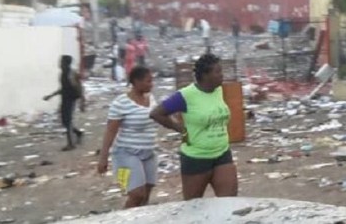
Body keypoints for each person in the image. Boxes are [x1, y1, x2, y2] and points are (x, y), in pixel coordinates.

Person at [150, 54, 237, 200]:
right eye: (218, 72)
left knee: (229, 202)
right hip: (196, 158)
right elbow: (156, 113)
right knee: (193, 206)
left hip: (222, 153)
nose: (222, 75)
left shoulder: (219, 91)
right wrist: (180, 129)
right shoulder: (186, 95)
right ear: (205, 75)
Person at [98, 67, 158, 209]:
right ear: (136, 81)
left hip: (149, 152)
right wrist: (103, 157)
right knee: (137, 194)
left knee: (147, 192)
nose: (152, 84)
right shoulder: (121, 103)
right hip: (127, 153)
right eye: (148, 81)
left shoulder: (151, 99)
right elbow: (110, 131)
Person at [44, 55, 85, 151]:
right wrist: (51, 96)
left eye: (61, 62)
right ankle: (78, 133)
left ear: (66, 63)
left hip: (71, 99)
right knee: (64, 121)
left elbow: (79, 87)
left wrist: (82, 101)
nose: (59, 63)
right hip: (65, 98)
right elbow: (62, 88)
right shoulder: (63, 74)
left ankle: (71, 144)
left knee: (68, 121)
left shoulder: (72, 74)